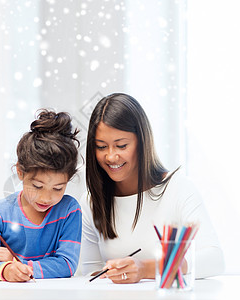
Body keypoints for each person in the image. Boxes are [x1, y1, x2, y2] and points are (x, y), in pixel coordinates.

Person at [81, 93, 224, 283]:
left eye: (121, 146)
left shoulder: (178, 189)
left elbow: (214, 259)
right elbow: (89, 273)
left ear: (142, 142)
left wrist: (147, 268)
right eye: (101, 147)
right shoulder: (91, 201)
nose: (111, 157)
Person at [0, 109, 82, 282]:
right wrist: (5, 270)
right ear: (20, 172)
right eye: (37, 186)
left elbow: (66, 264)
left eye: (58, 188)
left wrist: (18, 263)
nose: (45, 198)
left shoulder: (69, 211)